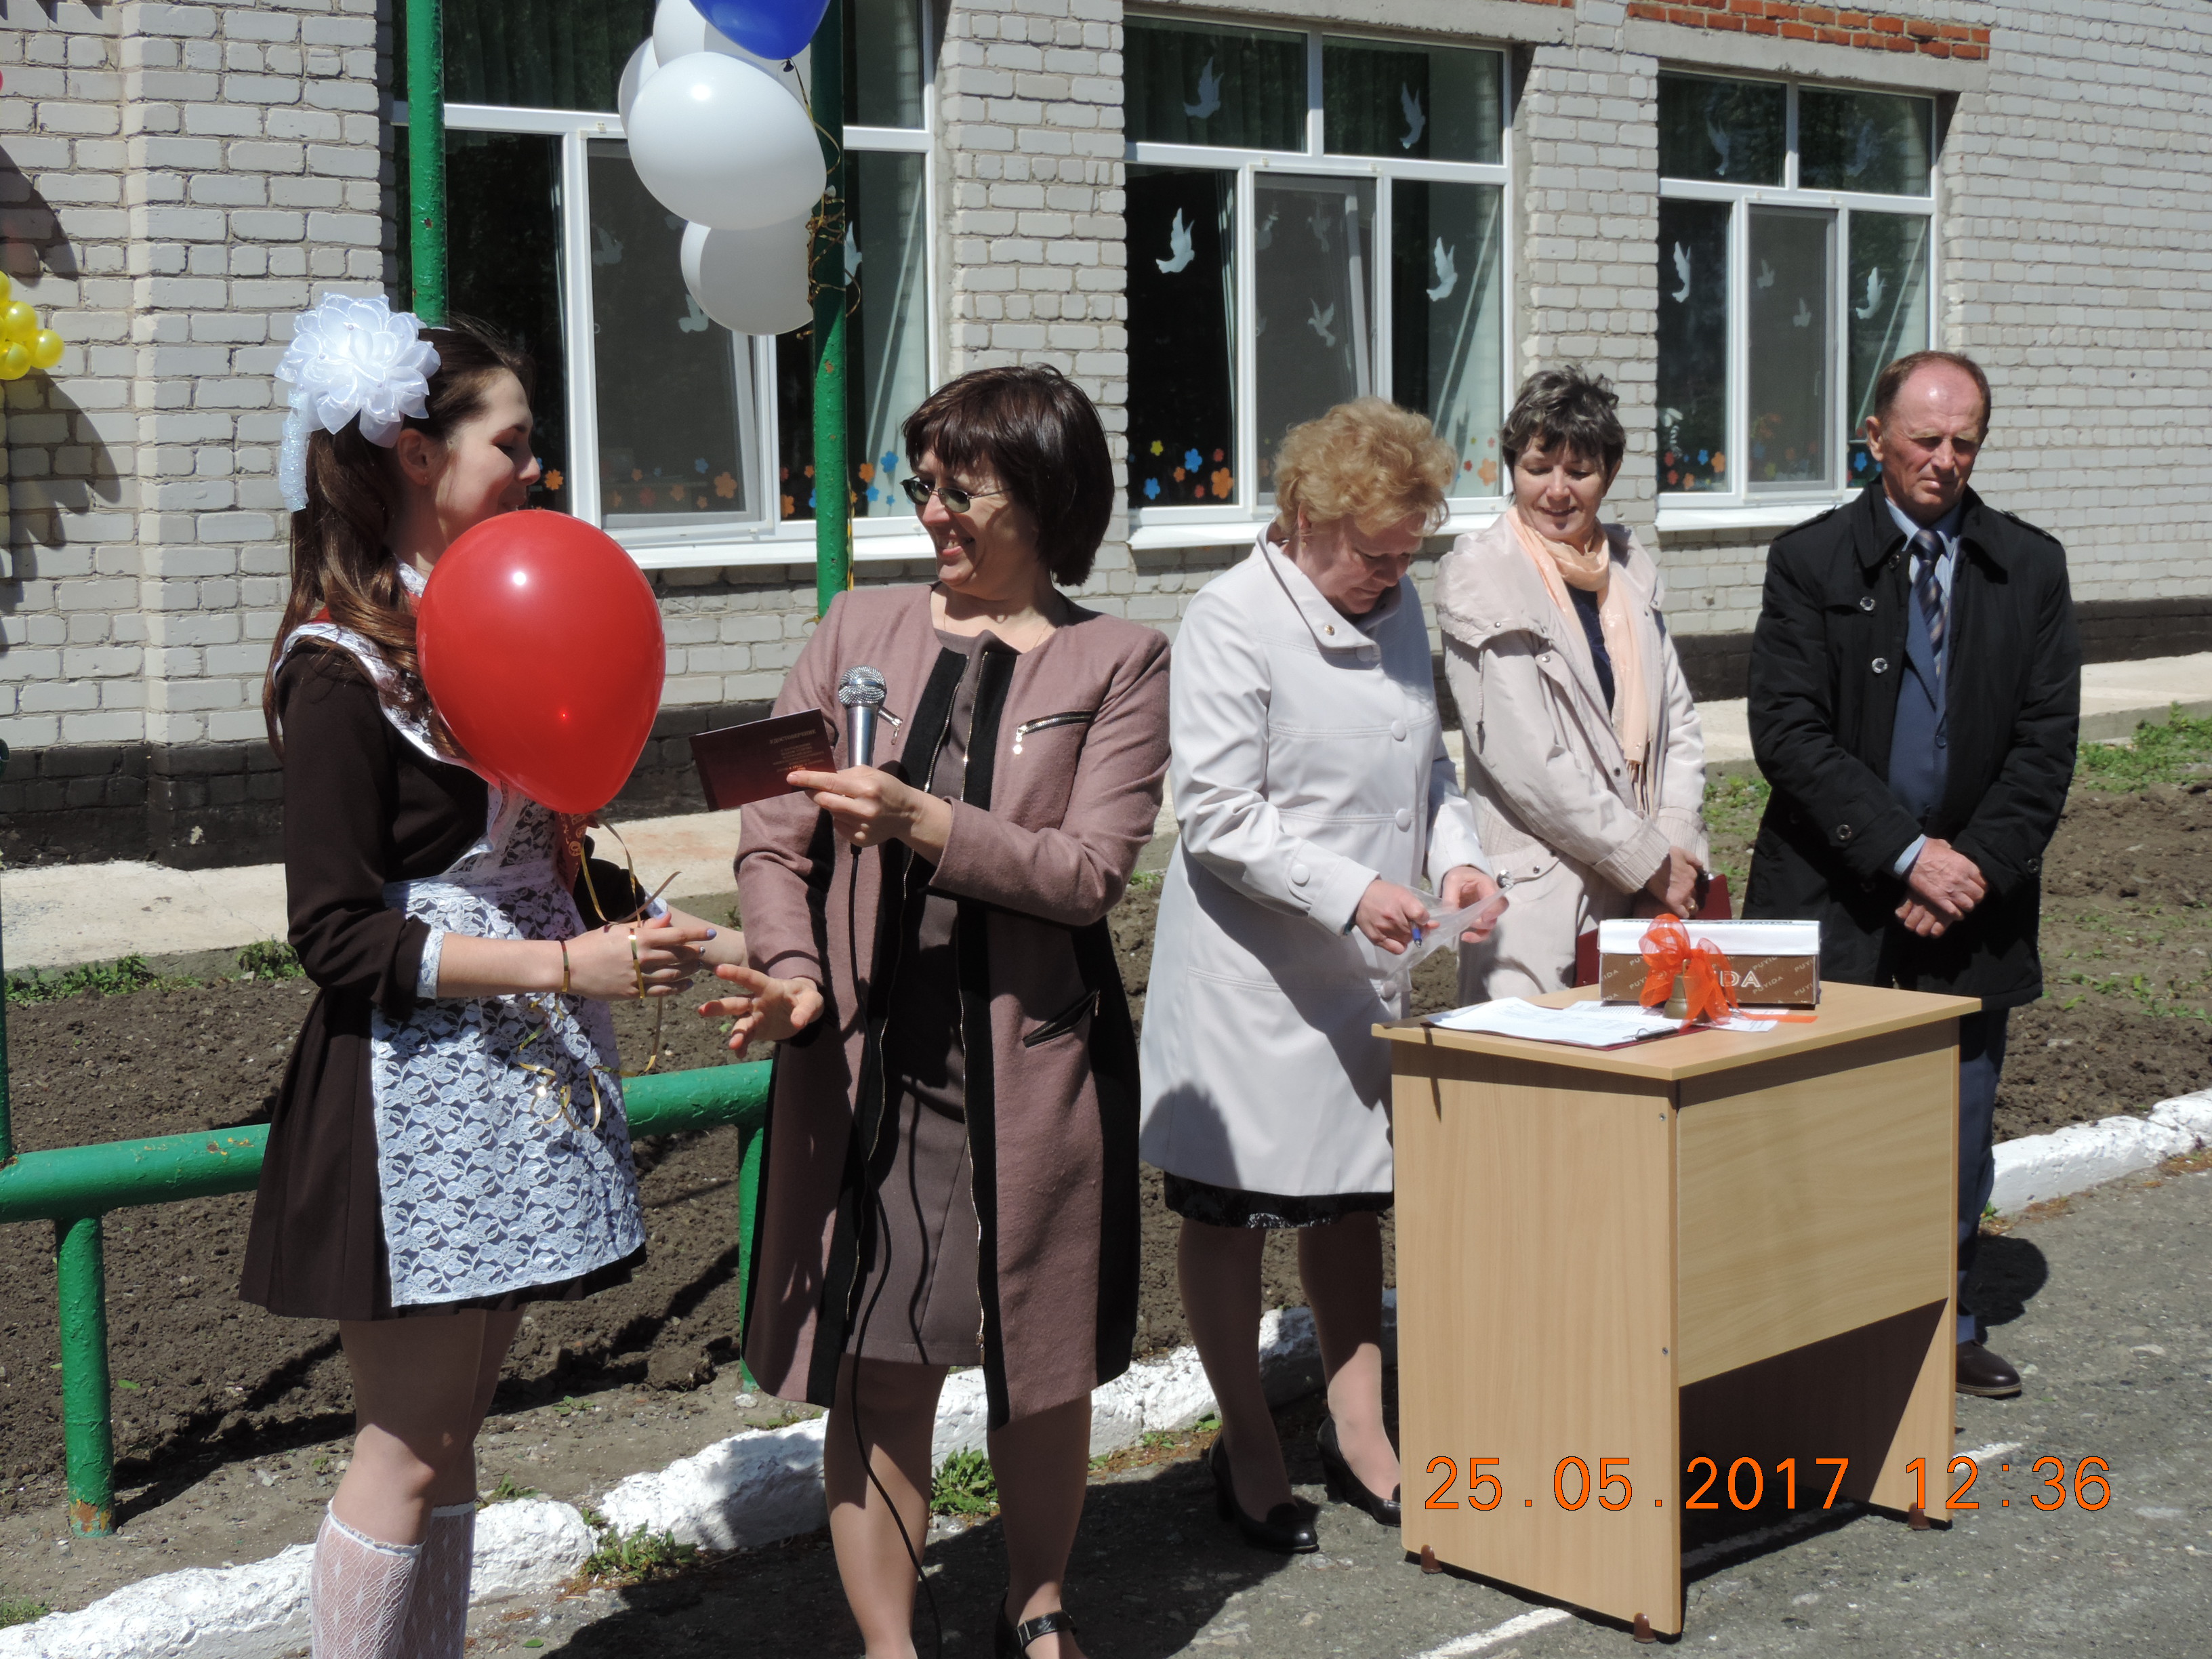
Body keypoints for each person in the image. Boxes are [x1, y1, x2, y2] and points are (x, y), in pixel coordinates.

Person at [241, 296, 751, 1659]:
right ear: (417, 453)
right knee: (406, 1446)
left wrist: (712, 942)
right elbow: (334, 935)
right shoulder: (341, 667)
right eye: (512, 442)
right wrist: (566, 962)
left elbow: (551, 851)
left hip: (509, 1080)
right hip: (404, 1097)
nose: (535, 467)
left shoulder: (487, 625)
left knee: (457, 1438)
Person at [704, 365, 1170, 1659]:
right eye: (921, 486)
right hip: (872, 1066)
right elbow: (771, 838)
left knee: (1039, 1362)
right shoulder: (854, 627)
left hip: (1028, 1069)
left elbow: (1086, 873)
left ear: (1044, 497)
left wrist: (922, 818)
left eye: (961, 489)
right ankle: (888, 1643)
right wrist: (793, 969)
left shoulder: (1119, 659)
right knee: (879, 1355)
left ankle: (1037, 1602)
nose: (932, 513)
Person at [1139, 398, 1498, 1555]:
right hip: (1252, 979)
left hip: (1361, 968)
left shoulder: (1395, 608)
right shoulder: (1229, 618)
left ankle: (1360, 1429)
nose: (1392, 578)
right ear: (1303, 517)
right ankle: (1246, 1440)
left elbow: (1427, 770)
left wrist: (1458, 859)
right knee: (1233, 1211)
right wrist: (1349, 890)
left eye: (1407, 555)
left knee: (1349, 1202)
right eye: (1373, 554)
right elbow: (1215, 814)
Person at [1745, 348, 2081, 1399]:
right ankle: (1806, 1332)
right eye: (1925, 439)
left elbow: (2046, 742)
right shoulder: (1811, 561)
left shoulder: (2029, 567)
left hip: (1970, 905)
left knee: (1957, 1124)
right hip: (1833, 891)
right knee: (1814, 1120)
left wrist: (1968, 868)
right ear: (1876, 437)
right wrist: (1905, 853)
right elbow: (1787, 730)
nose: (1944, 459)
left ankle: (1948, 1320)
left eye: (1964, 442)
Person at [1434, 367, 1709, 1001]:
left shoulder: (1630, 567)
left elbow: (1678, 726)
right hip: (1541, 895)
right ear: (1513, 468)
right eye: (1538, 468)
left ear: (1608, 474)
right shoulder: (1481, 574)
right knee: (1537, 1063)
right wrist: (1648, 860)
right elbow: (1529, 762)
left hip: (1648, 900)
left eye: (1579, 472)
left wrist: (1671, 852)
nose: (1557, 491)